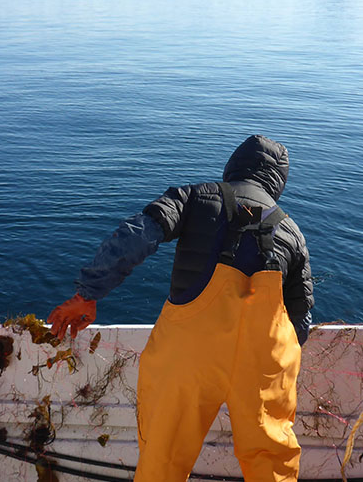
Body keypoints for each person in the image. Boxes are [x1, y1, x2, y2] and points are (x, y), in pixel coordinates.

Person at [48, 135, 314, 482]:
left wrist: (88, 294)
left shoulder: (195, 197)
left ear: (233, 165)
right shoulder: (293, 233)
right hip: (264, 364)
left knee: (163, 458)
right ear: (278, 182)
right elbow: (301, 322)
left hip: (189, 356)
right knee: (272, 465)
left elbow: (136, 236)